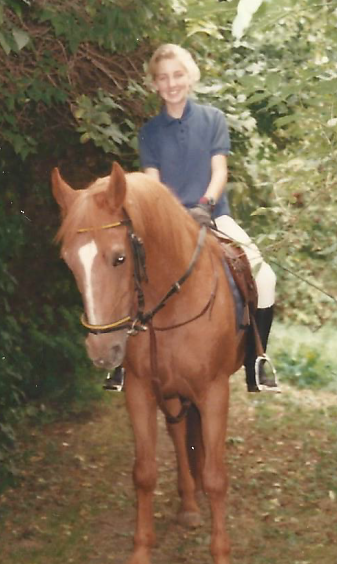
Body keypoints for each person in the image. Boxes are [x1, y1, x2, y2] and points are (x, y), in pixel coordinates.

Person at [105, 42, 279, 394]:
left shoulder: (213, 119)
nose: (172, 83)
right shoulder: (149, 131)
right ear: (155, 84)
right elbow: (152, 184)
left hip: (213, 215)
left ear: (190, 78)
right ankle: (121, 363)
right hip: (166, 222)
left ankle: (256, 361)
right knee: (125, 272)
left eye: (178, 75)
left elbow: (219, 171)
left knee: (265, 277)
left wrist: (205, 204)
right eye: (163, 78)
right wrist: (171, 216)